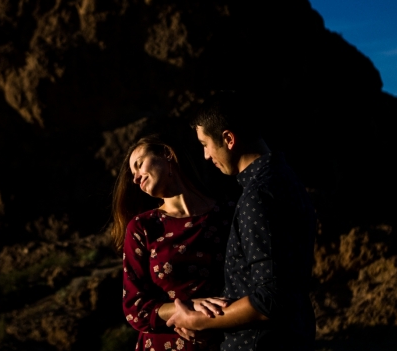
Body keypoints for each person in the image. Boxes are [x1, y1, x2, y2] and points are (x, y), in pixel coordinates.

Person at [166, 92, 317, 350]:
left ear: (228, 138)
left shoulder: (258, 196)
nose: (205, 155)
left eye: (205, 144)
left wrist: (196, 320)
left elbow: (269, 300)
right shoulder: (288, 181)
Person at [112, 133, 235, 350]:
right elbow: (134, 309)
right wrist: (186, 307)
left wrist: (212, 322)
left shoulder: (228, 214)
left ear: (167, 154)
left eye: (139, 165)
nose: (135, 177)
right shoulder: (143, 227)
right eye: (133, 173)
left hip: (225, 341)